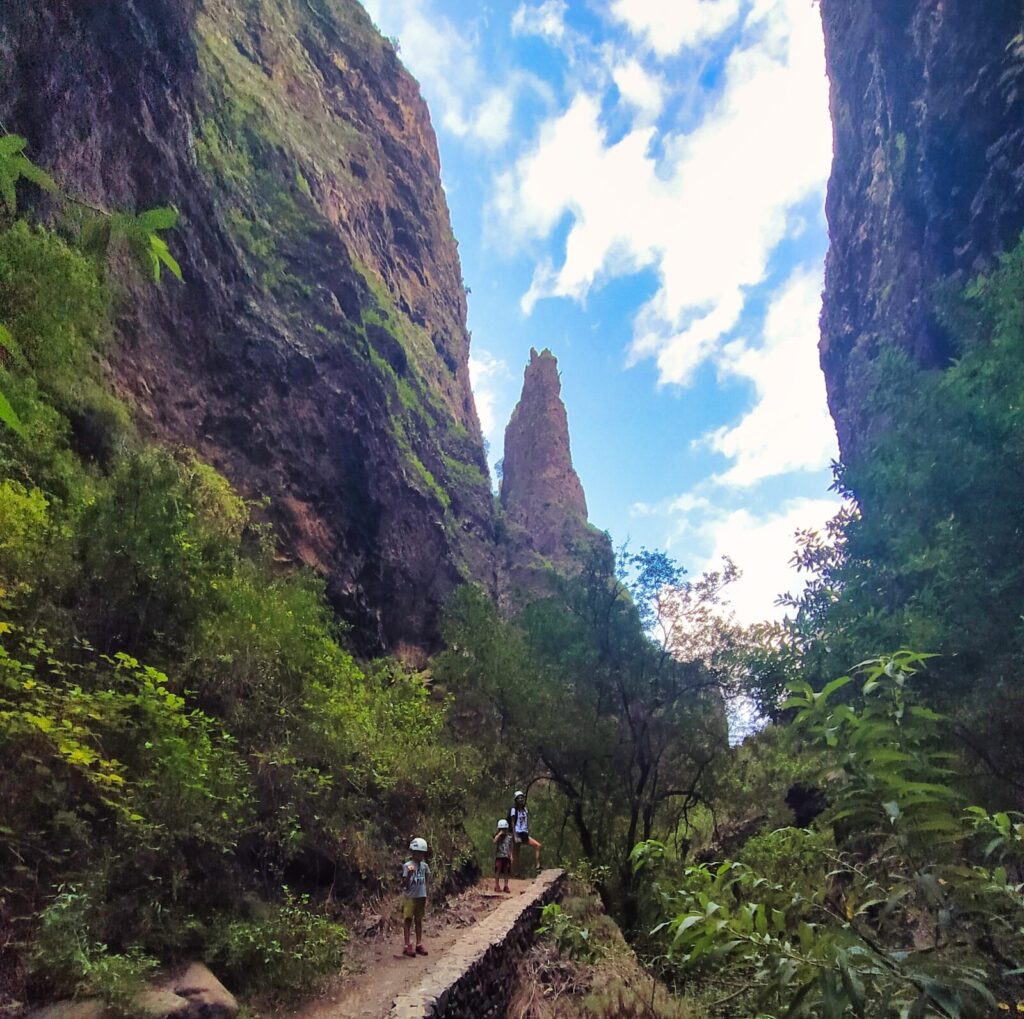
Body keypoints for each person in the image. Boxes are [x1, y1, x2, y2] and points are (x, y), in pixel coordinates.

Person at [401, 837, 430, 957]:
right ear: (413, 852)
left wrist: (424, 891)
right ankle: (407, 944)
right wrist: (409, 875)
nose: (420, 855)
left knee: (419, 920)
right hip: (410, 897)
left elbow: (427, 879)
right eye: (418, 853)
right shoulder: (407, 866)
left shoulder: (424, 866)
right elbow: (404, 884)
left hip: (421, 896)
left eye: (422, 853)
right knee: (408, 920)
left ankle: (419, 943)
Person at [508, 790, 541, 874]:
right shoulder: (513, 810)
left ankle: (538, 866)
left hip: (524, 833)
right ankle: (513, 872)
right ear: (516, 800)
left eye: (522, 798)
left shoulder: (525, 810)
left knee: (537, 845)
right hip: (517, 833)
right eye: (518, 798)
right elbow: (512, 823)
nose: (521, 800)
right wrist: (515, 836)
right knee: (515, 854)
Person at [493, 819, 513, 893]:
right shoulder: (498, 837)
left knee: (506, 871)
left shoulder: (509, 837)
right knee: (498, 870)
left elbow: (511, 847)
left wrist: (511, 856)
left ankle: (506, 885)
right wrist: (499, 834)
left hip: (506, 856)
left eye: (504, 829)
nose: (503, 830)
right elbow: (494, 841)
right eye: (502, 829)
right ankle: (496, 885)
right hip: (499, 856)